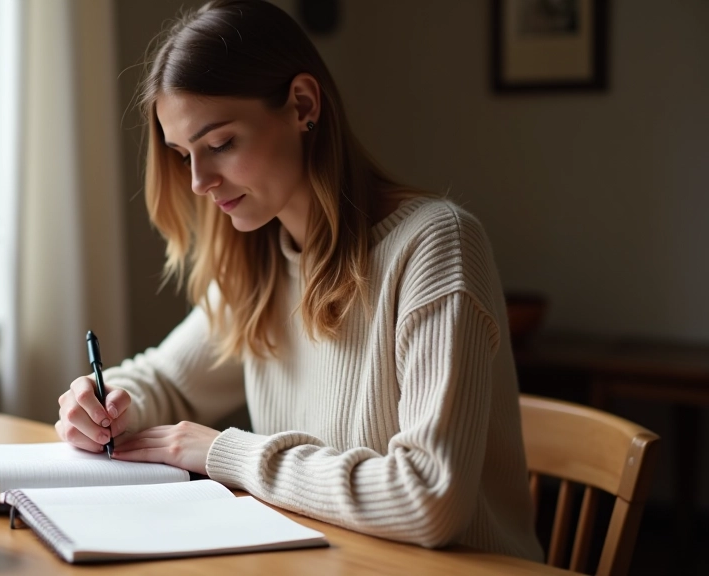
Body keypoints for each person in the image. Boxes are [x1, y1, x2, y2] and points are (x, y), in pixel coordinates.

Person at [55, 0, 543, 562]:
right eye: (183, 154)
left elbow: (427, 497)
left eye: (219, 145)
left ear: (303, 105)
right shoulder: (259, 264)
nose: (198, 181)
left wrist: (226, 453)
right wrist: (106, 402)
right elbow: (167, 380)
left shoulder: (434, 245)